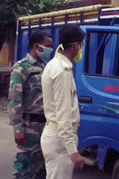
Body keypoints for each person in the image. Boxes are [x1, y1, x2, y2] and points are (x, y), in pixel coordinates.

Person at [40, 25, 85, 179]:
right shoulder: (62, 71)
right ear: (76, 46)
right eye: (82, 45)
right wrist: (73, 151)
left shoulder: (53, 65)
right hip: (60, 141)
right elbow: (64, 114)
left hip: (55, 136)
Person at [7, 30, 53, 179]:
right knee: (26, 169)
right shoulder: (21, 68)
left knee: (42, 169)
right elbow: (14, 100)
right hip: (29, 127)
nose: (50, 50)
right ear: (36, 46)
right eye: (47, 46)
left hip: (46, 127)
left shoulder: (46, 67)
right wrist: (18, 128)